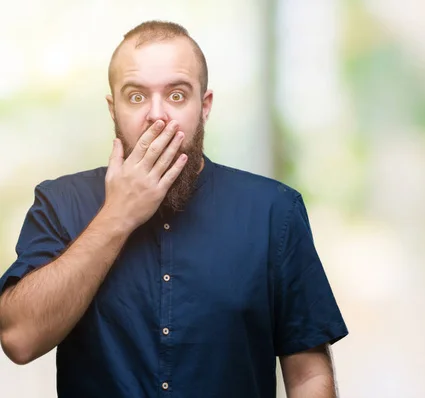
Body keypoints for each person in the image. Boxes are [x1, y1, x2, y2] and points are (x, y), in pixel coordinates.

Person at [0, 20, 348, 398]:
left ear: (205, 105)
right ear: (112, 108)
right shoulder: (59, 202)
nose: (157, 115)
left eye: (177, 95)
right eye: (135, 97)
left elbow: (308, 377)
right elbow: (19, 340)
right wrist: (117, 215)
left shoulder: (274, 211)